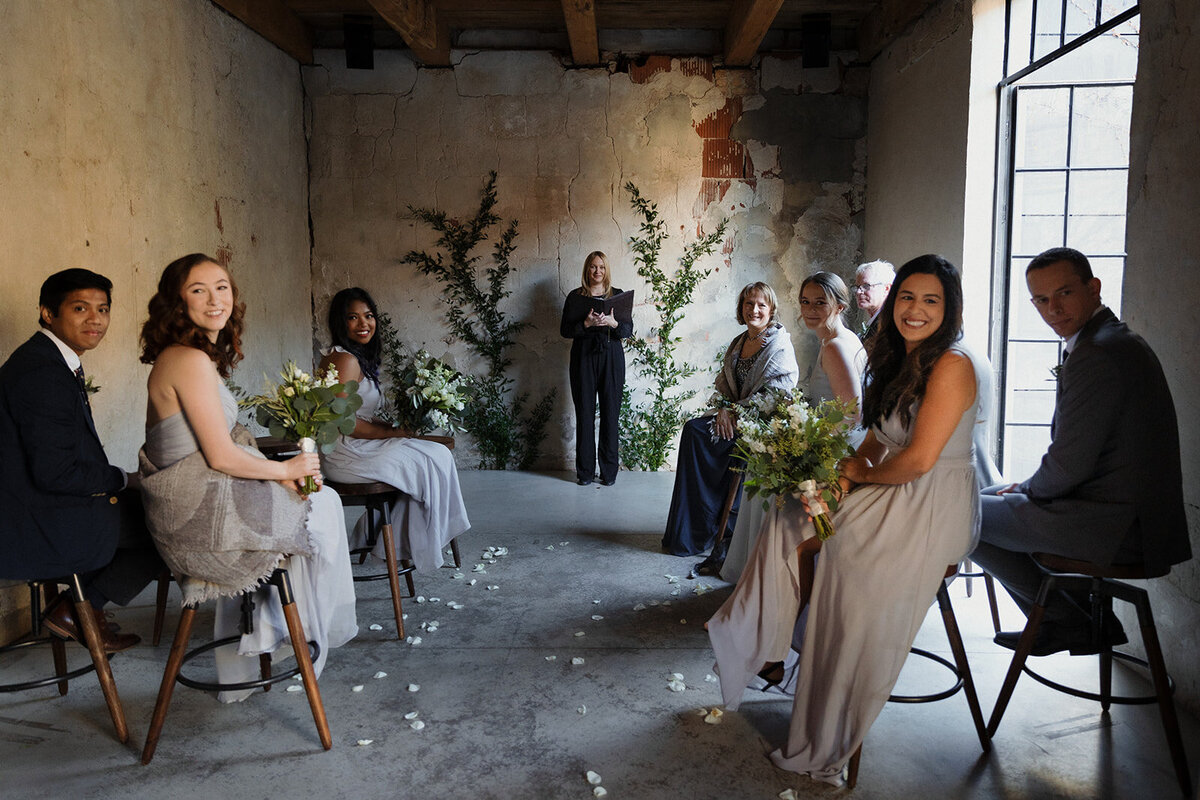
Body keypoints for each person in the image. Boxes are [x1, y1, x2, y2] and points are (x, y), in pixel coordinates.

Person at [708, 255, 987, 787]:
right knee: (793, 516)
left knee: (837, 551)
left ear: (950, 308)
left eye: (931, 300)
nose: (915, 309)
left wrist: (856, 479)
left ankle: (826, 700)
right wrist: (846, 473)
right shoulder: (904, 356)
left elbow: (918, 460)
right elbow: (880, 437)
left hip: (926, 503)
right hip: (893, 484)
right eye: (908, 297)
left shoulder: (952, 363)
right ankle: (765, 646)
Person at [140, 254, 356, 701]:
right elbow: (219, 454)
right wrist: (285, 469)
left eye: (222, 286)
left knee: (314, 501)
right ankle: (283, 633)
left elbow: (218, 452)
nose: (215, 299)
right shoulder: (187, 360)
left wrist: (279, 478)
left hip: (204, 495)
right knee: (323, 505)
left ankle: (267, 631)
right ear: (176, 302)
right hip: (193, 516)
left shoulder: (194, 356)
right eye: (198, 289)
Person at [971, 247, 1190, 656]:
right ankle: (1082, 619)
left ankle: (1067, 620)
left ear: (1093, 288)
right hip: (1115, 512)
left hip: (1117, 527)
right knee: (982, 498)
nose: (1052, 308)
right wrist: (1025, 488)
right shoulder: (1109, 339)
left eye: (1065, 293)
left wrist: (1029, 490)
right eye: (1040, 299)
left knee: (958, 516)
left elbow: (1069, 465)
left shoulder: (1098, 354)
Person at [0, 268, 162, 652]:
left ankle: (78, 609)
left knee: (147, 510)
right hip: (32, 522)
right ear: (47, 313)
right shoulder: (41, 372)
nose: (96, 319)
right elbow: (56, 472)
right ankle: (76, 608)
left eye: (103, 309)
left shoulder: (48, 361)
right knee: (165, 528)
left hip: (35, 506)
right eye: (80, 308)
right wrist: (123, 479)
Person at [716, 271, 866, 581]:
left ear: (839, 306)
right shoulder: (841, 338)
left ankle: (769, 576)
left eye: (820, 303)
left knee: (761, 470)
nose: (810, 310)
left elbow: (852, 414)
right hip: (833, 439)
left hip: (836, 450)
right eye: (805, 302)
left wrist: (806, 444)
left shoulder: (836, 347)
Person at [319, 287, 470, 573]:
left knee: (437, 454)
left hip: (358, 446)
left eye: (369, 316)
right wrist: (393, 434)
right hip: (346, 454)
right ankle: (408, 544)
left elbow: (354, 411)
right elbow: (343, 422)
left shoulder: (353, 357)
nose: (364, 324)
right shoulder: (345, 360)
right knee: (431, 460)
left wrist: (386, 426)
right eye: (353, 317)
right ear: (340, 322)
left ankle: (402, 543)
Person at [662, 282, 798, 559]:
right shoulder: (740, 342)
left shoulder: (778, 344)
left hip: (762, 423)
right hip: (736, 416)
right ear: (741, 308)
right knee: (693, 431)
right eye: (749, 304)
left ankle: (714, 524)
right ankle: (696, 529)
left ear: (771, 309)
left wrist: (736, 411)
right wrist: (725, 408)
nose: (755, 310)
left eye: (761, 305)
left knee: (698, 435)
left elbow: (778, 394)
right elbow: (724, 386)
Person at [560, 251, 633, 486]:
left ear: (606, 270)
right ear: (587, 270)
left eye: (601, 267)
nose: (597, 271)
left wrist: (613, 323)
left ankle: (609, 473)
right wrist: (586, 323)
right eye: (592, 267)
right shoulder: (575, 297)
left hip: (612, 357)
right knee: (585, 414)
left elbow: (627, 331)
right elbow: (565, 331)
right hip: (583, 357)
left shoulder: (618, 296)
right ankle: (585, 473)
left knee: (611, 415)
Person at [852, 258, 895, 340]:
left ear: (886, 289)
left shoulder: (889, 324)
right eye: (857, 287)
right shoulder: (877, 320)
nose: (858, 292)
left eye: (866, 286)